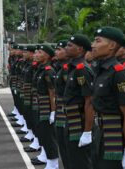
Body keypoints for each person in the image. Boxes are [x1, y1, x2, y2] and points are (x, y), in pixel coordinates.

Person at [91, 26, 125, 169]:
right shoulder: (100, 70)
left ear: (112, 46)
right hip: (98, 131)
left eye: (97, 41)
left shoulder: (119, 73)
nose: (92, 45)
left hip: (113, 135)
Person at [64, 34, 95, 169]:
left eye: (70, 46)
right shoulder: (74, 67)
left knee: (80, 161)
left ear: (80, 49)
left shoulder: (82, 70)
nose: (66, 48)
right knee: (72, 157)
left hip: (79, 121)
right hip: (71, 118)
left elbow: (89, 101)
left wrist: (87, 131)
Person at [31, 44, 59, 168]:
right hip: (40, 106)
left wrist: (53, 111)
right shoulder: (41, 69)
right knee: (43, 134)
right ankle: (47, 159)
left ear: (47, 55)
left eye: (39, 52)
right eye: (36, 52)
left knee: (49, 136)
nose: (36, 55)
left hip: (47, 108)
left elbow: (52, 93)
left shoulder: (49, 71)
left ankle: (53, 164)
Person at [54, 40, 71, 169]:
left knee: (70, 151)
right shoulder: (61, 67)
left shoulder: (68, 69)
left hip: (68, 112)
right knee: (63, 146)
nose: (57, 52)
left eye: (60, 49)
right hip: (60, 108)